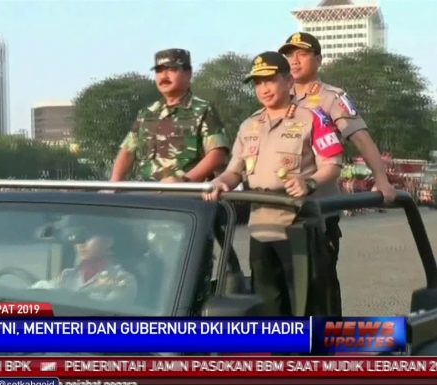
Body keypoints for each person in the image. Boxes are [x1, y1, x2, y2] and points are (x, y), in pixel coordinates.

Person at [204, 51, 344, 316]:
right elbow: (234, 171)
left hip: (300, 229)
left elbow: (332, 165)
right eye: (258, 83)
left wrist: (308, 183)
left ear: (288, 81)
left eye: (270, 80)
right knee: (269, 306)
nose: (264, 89)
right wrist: (220, 182)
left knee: (306, 306)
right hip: (261, 228)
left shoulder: (313, 118)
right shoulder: (249, 126)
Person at [278, 32, 395, 314]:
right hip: (279, 209)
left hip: (319, 211)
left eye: (302, 54)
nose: (294, 60)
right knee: (282, 292)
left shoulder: (331, 98)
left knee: (321, 290)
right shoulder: (278, 96)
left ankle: (328, 341)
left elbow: (360, 138)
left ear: (318, 60)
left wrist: (381, 180)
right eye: (289, 55)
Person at [111, 48, 230, 183]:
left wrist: (184, 181)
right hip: (147, 192)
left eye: (172, 69)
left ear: (188, 73)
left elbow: (217, 154)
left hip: (187, 192)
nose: (164, 76)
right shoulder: (147, 113)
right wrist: (114, 184)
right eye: (159, 71)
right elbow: (127, 151)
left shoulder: (203, 110)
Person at [32, 222, 138, 303]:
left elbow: (106, 309)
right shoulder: (67, 275)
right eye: (77, 237)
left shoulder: (123, 280)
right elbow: (41, 290)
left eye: (87, 237)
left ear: (108, 241)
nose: (80, 243)